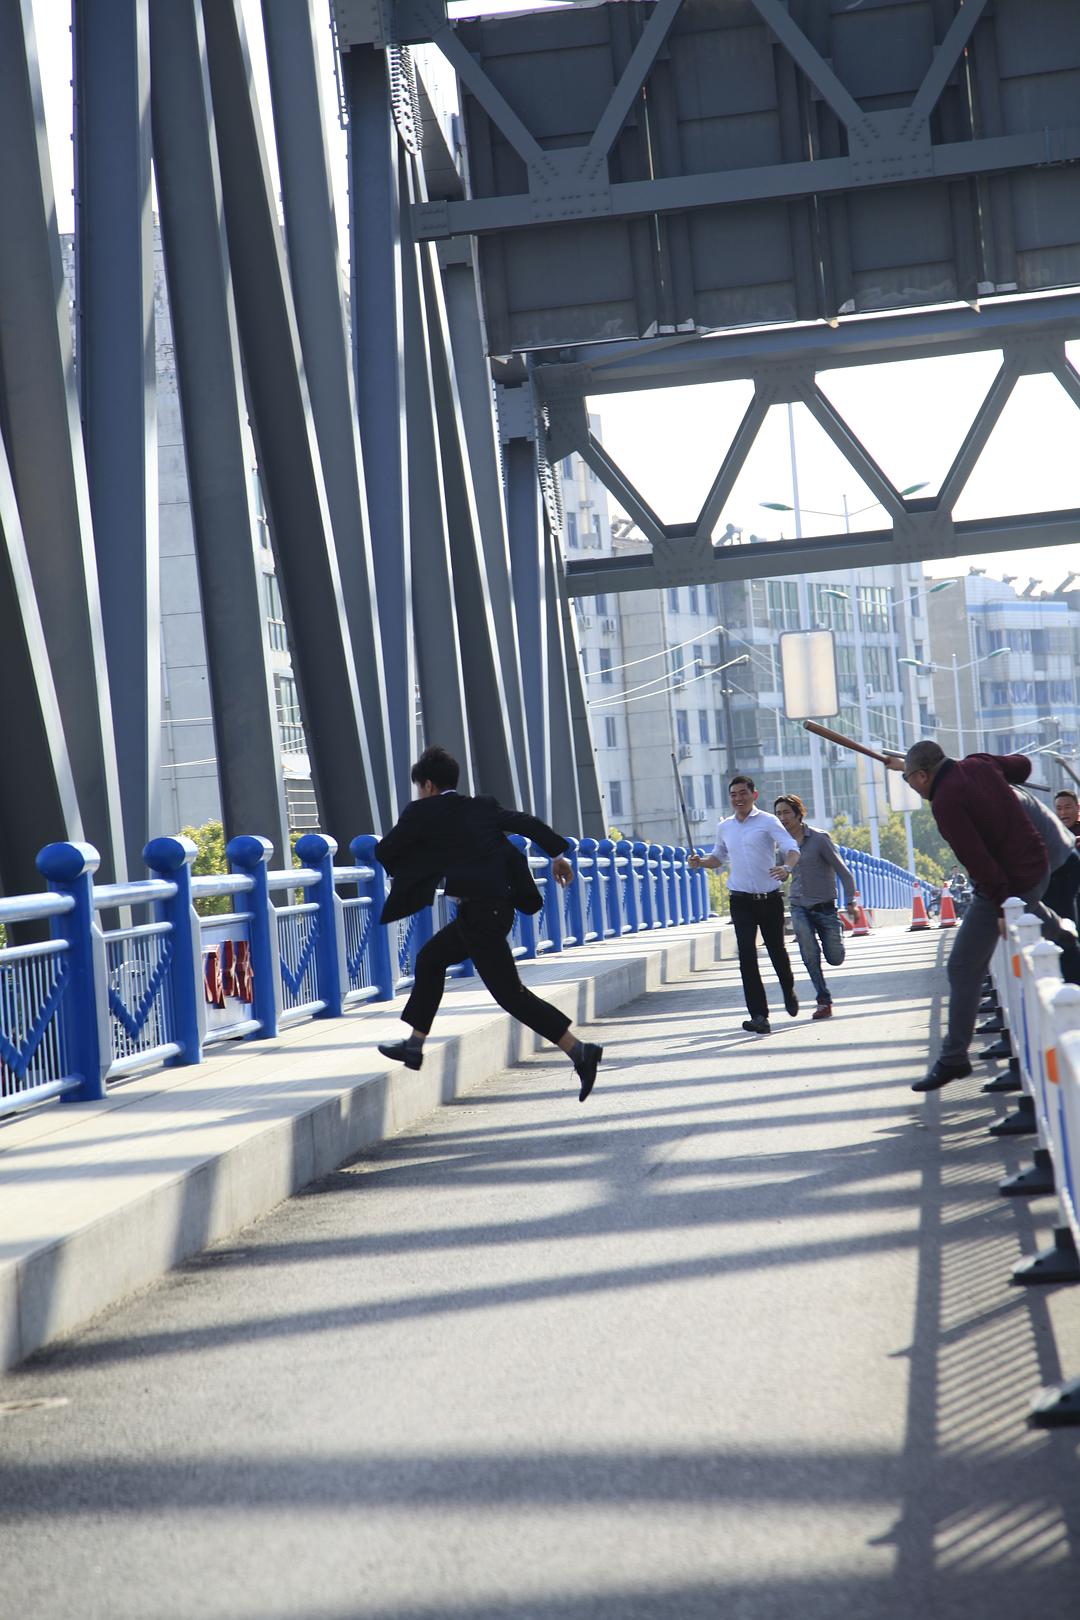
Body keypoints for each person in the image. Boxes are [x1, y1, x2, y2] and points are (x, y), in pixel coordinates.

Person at [374, 745, 602, 1101]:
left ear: (429, 785)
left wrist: (424, 857)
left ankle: (579, 1050)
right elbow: (527, 824)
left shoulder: (422, 812)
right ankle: (414, 1046)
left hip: (481, 913)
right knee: (430, 960)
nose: (420, 793)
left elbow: (386, 851)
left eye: (421, 787)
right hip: (490, 910)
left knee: (511, 996)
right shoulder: (481, 806)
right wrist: (557, 855)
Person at [886, 741, 1071, 1092]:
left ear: (923, 776)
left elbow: (978, 861)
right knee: (1032, 914)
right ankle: (1064, 936)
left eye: (909, 779)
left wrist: (1001, 905)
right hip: (1037, 864)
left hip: (1011, 879)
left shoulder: (945, 802)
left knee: (961, 966)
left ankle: (954, 1057)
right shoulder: (979, 764)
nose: (909, 785)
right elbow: (1021, 766)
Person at [690, 774, 800, 1034]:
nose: (738, 798)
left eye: (742, 793)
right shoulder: (725, 827)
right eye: (733, 794)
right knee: (747, 957)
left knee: (777, 951)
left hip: (769, 898)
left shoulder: (768, 821)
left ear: (754, 795)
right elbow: (718, 857)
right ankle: (759, 1016)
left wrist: (786, 868)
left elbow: (791, 847)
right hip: (740, 900)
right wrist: (701, 862)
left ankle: (788, 989)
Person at [773, 793, 856, 1019]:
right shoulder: (781, 845)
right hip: (799, 905)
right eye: (778, 814)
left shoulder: (820, 839)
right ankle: (823, 999)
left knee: (835, 958)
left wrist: (851, 902)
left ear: (799, 814)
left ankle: (835, 929)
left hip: (825, 906)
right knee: (809, 952)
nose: (782, 818)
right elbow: (780, 875)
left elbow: (844, 873)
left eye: (786, 813)